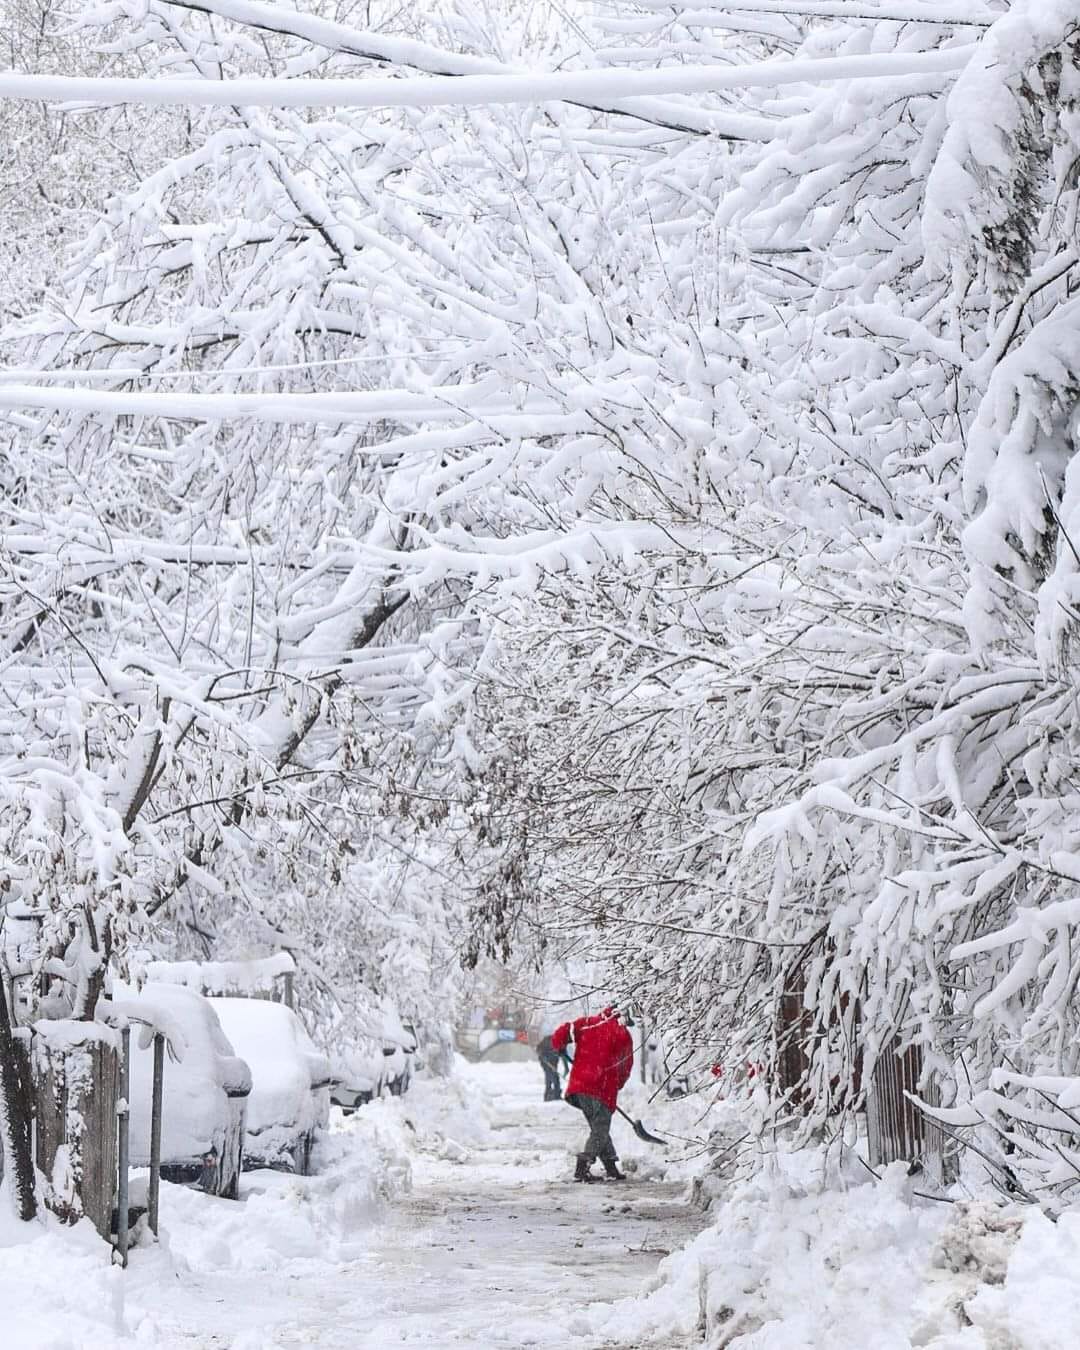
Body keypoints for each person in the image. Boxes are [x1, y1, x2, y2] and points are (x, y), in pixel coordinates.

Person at [550, 1007, 634, 1182]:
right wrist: (617, 1084)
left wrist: (559, 1046)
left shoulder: (587, 1024)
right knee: (600, 1129)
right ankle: (583, 1165)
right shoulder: (622, 1034)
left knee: (599, 1129)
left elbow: (562, 1032)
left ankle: (611, 1167)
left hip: (580, 1088)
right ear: (622, 1017)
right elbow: (625, 1066)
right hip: (602, 1088)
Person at [536, 1033, 567, 1102]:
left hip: (554, 1061)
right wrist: (543, 1056)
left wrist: (566, 1068)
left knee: (554, 1077)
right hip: (545, 1061)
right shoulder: (548, 1040)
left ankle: (555, 1094)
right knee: (550, 1076)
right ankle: (549, 1095)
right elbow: (538, 1049)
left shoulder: (562, 1044)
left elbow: (564, 1056)